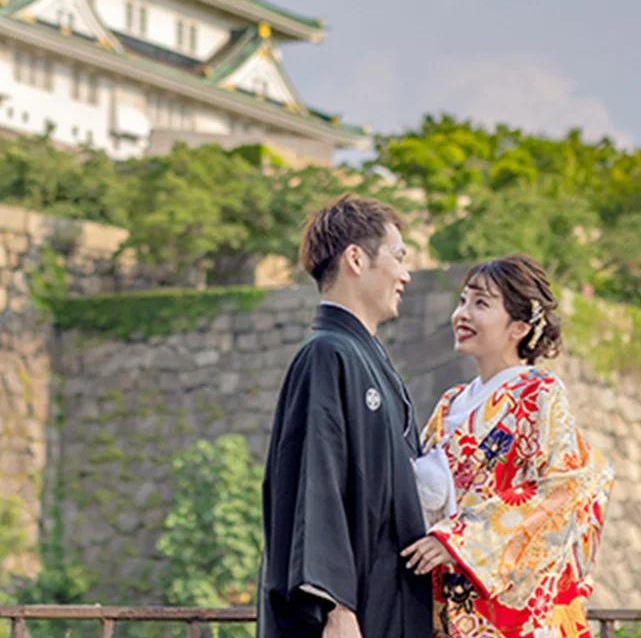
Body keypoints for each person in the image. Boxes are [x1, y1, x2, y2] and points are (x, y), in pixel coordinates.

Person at [401, 254, 614, 638]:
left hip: (509, 612)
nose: (462, 313)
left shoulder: (539, 393)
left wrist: (461, 540)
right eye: (463, 300)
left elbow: (562, 491)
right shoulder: (450, 403)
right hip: (450, 603)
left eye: (480, 303)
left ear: (518, 326)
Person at [258, 194, 433, 638]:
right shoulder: (326, 354)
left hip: (387, 606)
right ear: (356, 258)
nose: (405, 274)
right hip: (350, 619)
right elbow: (314, 484)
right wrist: (336, 608)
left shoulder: (364, 357)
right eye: (398, 257)